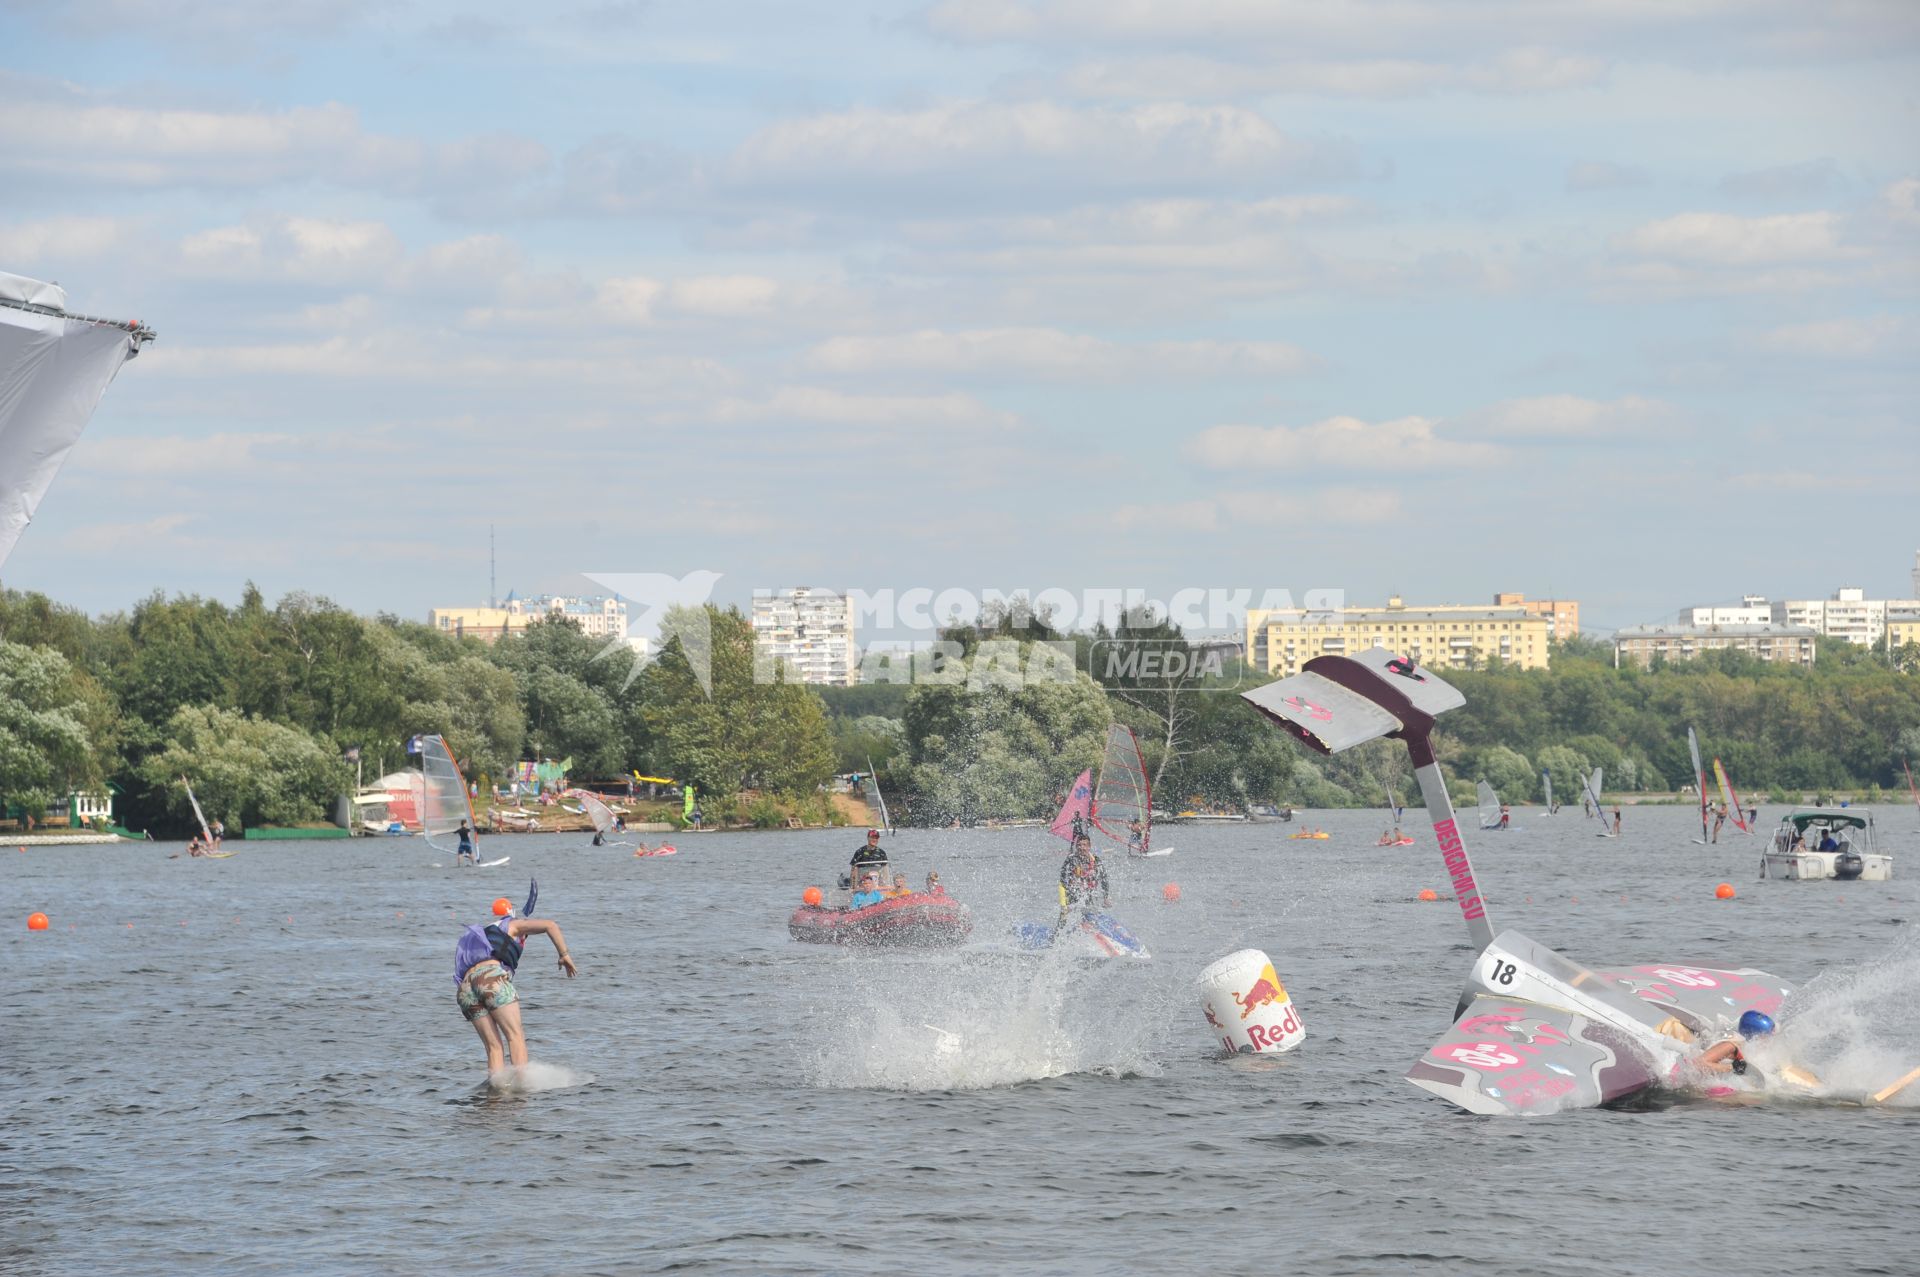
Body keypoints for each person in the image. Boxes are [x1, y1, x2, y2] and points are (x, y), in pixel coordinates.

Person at [453, 893, 577, 1076]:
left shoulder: (483, 932)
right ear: (510, 913)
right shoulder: (512, 924)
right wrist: (564, 954)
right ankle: (521, 1089)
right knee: (515, 1037)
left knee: (493, 1047)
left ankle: (495, 1095)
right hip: (490, 978)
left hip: (466, 987)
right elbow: (550, 925)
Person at [1054, 831, 1110, 938]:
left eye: (1084, 845)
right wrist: (1065, 905)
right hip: (1070, 894)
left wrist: (1106, 897)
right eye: (1079, 845)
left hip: (1087, 895)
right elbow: (1063, 880)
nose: (1081, 847)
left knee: (1090, 917)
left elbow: (1104, 879)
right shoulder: (1071, 859)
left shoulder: (1096, 860)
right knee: (1064, 918)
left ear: (1089, 847)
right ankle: (1056, 938)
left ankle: (1091, 938)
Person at [1695, 1010, 1776, 1078]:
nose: (1769, 1040)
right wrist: (1732, 1068)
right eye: (1766, 1036)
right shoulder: (1731, 1046)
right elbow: (1698, 1063)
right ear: (1754, 1036)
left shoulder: (1751, 1051)